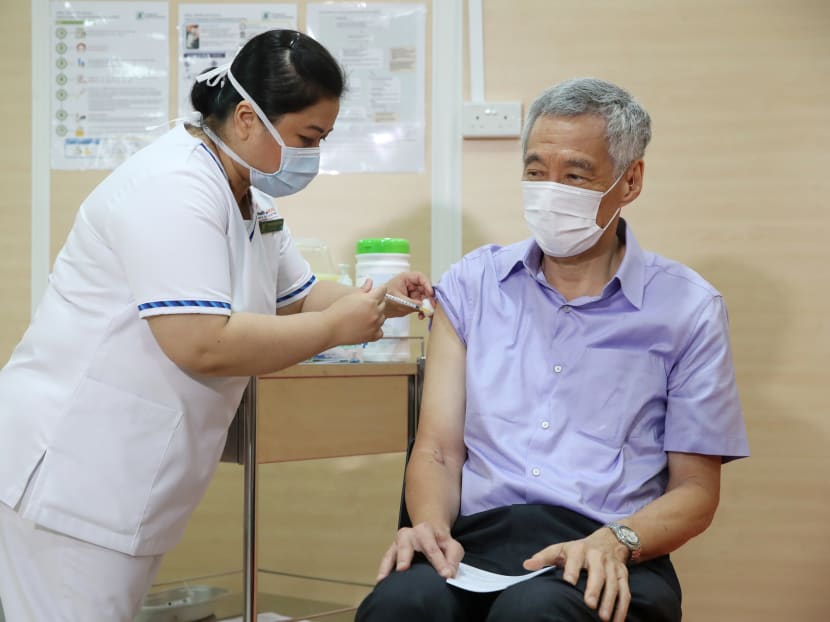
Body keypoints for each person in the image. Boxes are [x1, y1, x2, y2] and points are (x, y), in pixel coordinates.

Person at [0, 29, 432, 622]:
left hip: (129, 475)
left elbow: (298, 299)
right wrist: (339, 328)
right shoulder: (172, 187)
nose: (314, 156)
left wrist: (380, 300)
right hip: (74, 469)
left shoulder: (249, 193)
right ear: (249, 118)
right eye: (309, 138)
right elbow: (200, 343)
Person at [356, 77, 749, 622]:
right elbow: (439, 451)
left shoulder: (687, 308)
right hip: (478, 541)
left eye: (575, 174)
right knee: (401, 605)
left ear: (630, 181)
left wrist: (616, 541)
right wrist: (430, 529)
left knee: (534, 612)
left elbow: (696, 491)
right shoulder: (473, 284)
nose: (550, 188)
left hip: (608, 548)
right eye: (536, 172)